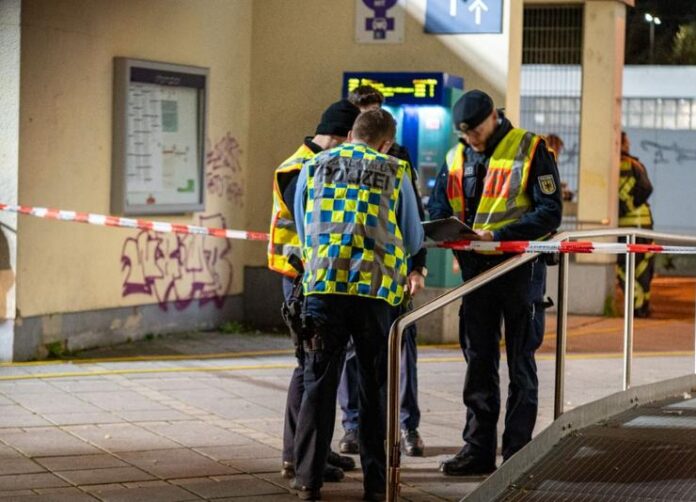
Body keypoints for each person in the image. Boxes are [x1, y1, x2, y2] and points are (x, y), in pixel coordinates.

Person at [427, 89, 562, 475]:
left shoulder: (530, 148)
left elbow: (549, 212)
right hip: (476, 273)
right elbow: (438, 205)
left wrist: (497, 237)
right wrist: (446, 228)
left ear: (492, 117)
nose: (471, 140)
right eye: (466, 134)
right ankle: (477, 449)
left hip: (519, 270)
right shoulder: (457, 155)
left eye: (476, 132)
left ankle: (517, 453)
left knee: (521, 363)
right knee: (479, 362)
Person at [293, 108, 424, 500]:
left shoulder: (312, 167)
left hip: (322, 290)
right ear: (385, 143)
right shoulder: (394, 170)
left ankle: (307, 481)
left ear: (351, 133)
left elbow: (303, 225)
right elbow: (413, 236)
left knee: (318, 385)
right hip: (374, 296)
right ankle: (376, 485)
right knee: (374, 390)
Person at [268, 100, 360, 484]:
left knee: (317, 368)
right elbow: (314, 218)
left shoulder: (313, 162)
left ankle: (313, 450)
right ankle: (299, 457)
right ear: (343, 136)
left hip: (314, 278)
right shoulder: (299, 168)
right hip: (302, 278)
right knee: (310, 369)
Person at [337, 85, 427, 457]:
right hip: (351, 275)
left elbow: (413, 219)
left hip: (385, 276)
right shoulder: (335, 159)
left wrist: (416, 266)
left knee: (400, 349)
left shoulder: (398, 160)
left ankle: (406, 426)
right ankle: (355, 428)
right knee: (352, 357)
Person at [617, 130, 655, 318]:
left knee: (628, 267)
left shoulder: (619, 165)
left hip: (629, 225)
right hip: (642, 224)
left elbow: (645, 188)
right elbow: (646, 187)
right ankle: (641, 306)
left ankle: (638, 306)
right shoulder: (633, 164)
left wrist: (625, 206)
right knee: (641, 266)